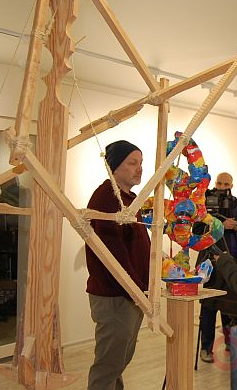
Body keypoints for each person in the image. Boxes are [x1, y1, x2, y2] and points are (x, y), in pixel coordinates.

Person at [86, 140, 149, 390]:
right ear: (114, 166)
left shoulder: (128, 199)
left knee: (118, 361)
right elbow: (112, 253)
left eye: (140, 163)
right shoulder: (107, 198)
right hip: (116, 295)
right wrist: (136, 289)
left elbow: (136, 245)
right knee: (108, 365)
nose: (139, 168)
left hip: (130, 293)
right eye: (132, 163)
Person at [197, 172, 237, 363]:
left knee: (231, 305)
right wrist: (220, 224)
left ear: (232, 185)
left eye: (226, 184)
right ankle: (206, 348)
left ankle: (231, 343)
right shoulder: (205, 204)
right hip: (211, 263)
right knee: (209, 306)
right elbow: (197, 229)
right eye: (219, 183)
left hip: (235, 263)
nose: (222, 187)